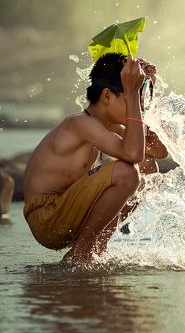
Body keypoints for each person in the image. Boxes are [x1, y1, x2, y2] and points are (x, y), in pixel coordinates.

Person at [23, 53, 153, 264]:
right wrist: (131, 89)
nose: (137, 106)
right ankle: (80, 253)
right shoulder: (79, 124)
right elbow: (133, 154)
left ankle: (97, 247)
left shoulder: (108, 127)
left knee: (148, 167)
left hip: (68, 212)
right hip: (47, 217)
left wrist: (146, 88)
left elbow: (157, 150)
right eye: (132, 99)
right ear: (107, 96)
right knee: (126, 172)